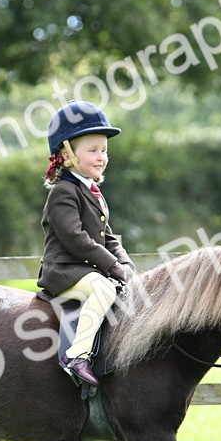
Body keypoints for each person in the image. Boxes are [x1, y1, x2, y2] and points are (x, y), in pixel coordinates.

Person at [36, 101, 136, 391]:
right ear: (67, 154)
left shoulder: (93, 192)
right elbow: (77, 240)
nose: (101, 157)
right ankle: (77, 355)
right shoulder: (62, 192)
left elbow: (109, 237)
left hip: (85, 270)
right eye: (92, 150)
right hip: (64, 271)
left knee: (124, 290)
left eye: (104, 150)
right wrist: (112, 267)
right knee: (104, 288)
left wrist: (127, 266)